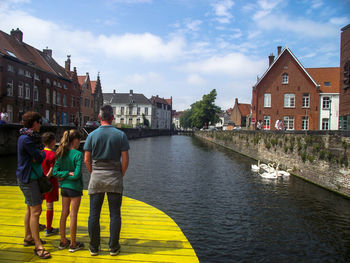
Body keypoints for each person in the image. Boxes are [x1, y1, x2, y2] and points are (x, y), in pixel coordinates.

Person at [84, 105, 129, 256]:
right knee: (115, 214)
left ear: (99, 117)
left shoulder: (91, 135)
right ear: (112, 118)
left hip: (96, 176)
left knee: (94, 214)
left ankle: (94, 247)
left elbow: (86, 159)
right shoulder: (120, 135)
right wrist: (119, 174)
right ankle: (113, 247)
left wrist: (93, 173)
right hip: (114, 176)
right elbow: (125, 160)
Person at [16, 112, 51, 259]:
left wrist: (39, 154)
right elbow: (39, 157)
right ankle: (38, 246)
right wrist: (41, 153)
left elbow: (37, 157)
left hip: (30, 177)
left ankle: (28, 237)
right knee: (36, 211)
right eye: (39, 122)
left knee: (30, 209)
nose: (41, 124)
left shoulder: (27, 138)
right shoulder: (27, 140)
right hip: (29, 178)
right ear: (34, 123)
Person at [53, 130, 84, 253]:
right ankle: (73, 243)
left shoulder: (61, 153)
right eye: (79, 140)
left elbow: (55, 172)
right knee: (73, 215)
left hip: (64, 188)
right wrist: (69, 173)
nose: (79, 143)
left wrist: (64, 175)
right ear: (75, 140)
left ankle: (63, 241)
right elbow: (76, 175)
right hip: (75, 188)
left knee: (63, 213)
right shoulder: (78, 154)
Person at [41, 132, 59, 237]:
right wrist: (47, 178)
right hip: (49, 183)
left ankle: (36, 225)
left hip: (39, 182)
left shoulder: (40, 153)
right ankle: (48, 228)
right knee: (49, 205)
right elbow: (52, 169)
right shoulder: (52, 155)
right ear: (52, 142)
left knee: (37, 205)